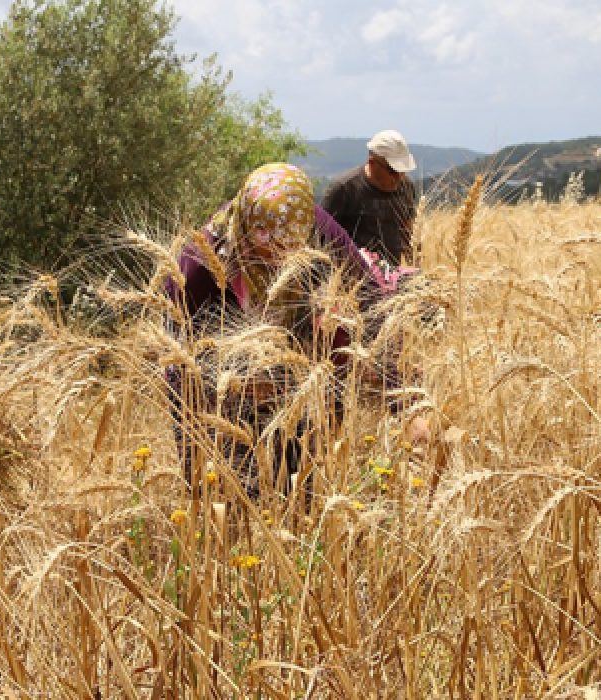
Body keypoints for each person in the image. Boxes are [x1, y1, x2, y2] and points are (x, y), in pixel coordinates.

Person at [165, 163, 426, 501]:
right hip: (213, 382)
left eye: (291, 248)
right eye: (268, 247)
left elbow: (371, 305)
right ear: (246, 227)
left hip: (294, 364)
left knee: (304, 478)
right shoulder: (200, 267)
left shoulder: (316, 227)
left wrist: (403, 401)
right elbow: (181, 349)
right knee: (226, 491)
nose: (279, 259)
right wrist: (230, 381)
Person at [320, 129, 419, 266]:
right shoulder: (344, 189)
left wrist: (417, 268)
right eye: (393, 171)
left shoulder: (406, 187)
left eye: (402, 171)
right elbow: (320, 238)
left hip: (393, 278)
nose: (398, 177)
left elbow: (408, 234)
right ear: (372, 162)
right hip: (352, 280)